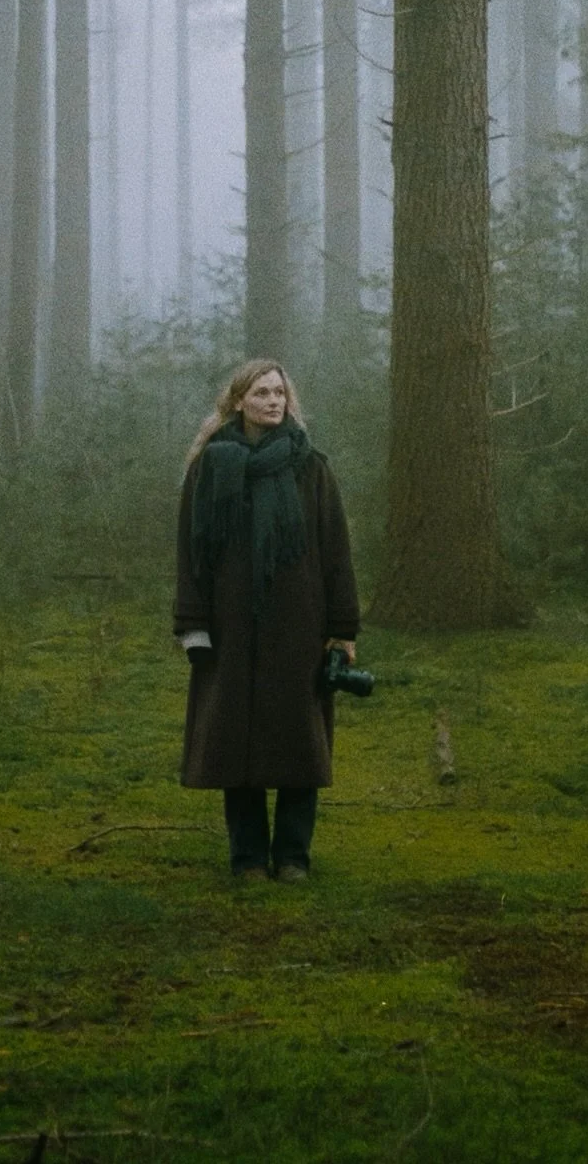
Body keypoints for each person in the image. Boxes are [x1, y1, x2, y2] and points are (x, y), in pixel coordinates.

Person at [173, 359, 360, 882]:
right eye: (261, 393)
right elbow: (191, 552)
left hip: (300, 629)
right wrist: (193, 624)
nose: (273, 401)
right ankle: (249, 857)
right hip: (232, 629)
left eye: (280, 392)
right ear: (238, 401)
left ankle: (294, 856)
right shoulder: (210, 468)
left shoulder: (311, 468)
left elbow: (335, 553)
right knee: (238, 745)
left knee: (301, 742)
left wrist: (343, 630)